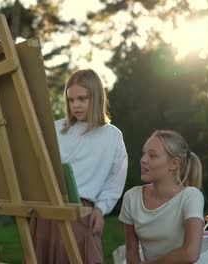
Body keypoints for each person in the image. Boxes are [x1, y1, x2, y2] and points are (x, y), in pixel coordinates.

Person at [30, 69, 128, 263]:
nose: (76, 105)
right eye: (70, 100)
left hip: (81, 213)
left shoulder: (112, 136)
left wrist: (101, 209)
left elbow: (115, 180)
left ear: (97, 97)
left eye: (82, 99)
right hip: (47, 210)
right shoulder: (56, 129)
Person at [117, 130, 204, 264]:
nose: (143, 160)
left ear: (174, 164)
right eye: (144, 153)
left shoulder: (191, 196)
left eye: (152, 155)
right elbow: (131, 252)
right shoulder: (131, 197)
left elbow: (190, 254)